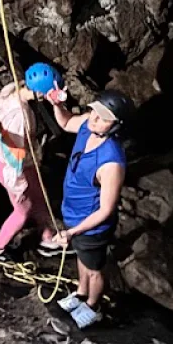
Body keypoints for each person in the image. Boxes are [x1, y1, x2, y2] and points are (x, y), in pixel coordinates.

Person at [51, 89, 132, 329]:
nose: (95, 118)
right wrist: (57, 105)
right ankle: (80, 292)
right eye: (95, 111)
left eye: (103, 117)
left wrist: (72, 232)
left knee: (95, 268)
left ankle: (93, 305)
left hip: (91, 225)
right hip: (73, 213)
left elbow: (106, 209)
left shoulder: (111, 162)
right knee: (81, 257)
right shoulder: (88, 126)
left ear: (115, 126)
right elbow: (66, 123)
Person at [0, 62, 67, 262]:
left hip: (24, 161)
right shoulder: (19, 118)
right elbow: (14, 158)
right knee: (23, 211)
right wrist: (18, 186)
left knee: (39, 196)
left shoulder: (11, 91)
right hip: (12, 168)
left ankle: (47, 237)